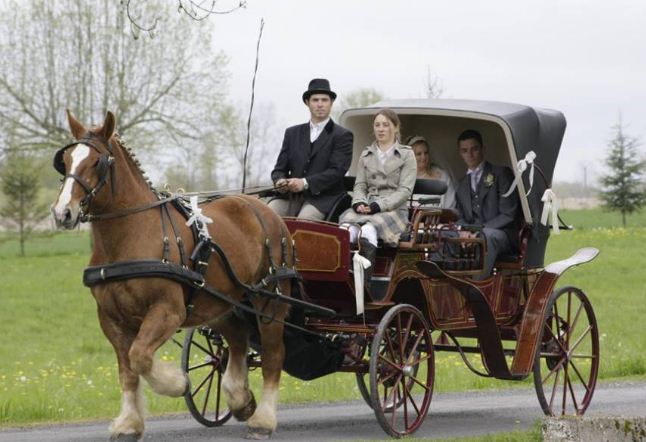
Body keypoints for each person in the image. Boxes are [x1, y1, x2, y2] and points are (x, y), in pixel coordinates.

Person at [338, 108, 417, 287]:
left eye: (385, 125)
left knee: (367, 230)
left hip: (393, 210)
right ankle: (343, 282)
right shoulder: (366, 154)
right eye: (377, 125)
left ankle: (363, 285)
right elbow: (360, 186)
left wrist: (377, 206)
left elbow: (404, 191)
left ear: (395, 128)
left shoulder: (406, 154)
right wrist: (359, 202)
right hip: (367, 206)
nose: (381, 129)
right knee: (344, 230)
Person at [269, 78, 353, 220]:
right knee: (267, 213)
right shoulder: (292, 133)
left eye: (324, 100)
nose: (320, 104)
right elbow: (279, 169)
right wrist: (280, 181)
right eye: (315, 100)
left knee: (304, 221)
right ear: (307, 103)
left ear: (331, 103)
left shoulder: (342, 135)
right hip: (291, 197)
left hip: (324, 199)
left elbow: (336, 171)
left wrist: (305, 183)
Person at [453, 129, 520, 278]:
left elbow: (508, 214)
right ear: (460, 153)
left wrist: (479, 231)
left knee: (485, 237)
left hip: (501, 234)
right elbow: (459, 215)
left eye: (474, 149)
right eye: (465, 151)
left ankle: (477, 287)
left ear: (483, 149)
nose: (469, 154)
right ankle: (451, 282)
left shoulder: (502, 173)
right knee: (445, 236)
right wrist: (463, 231)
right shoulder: (461, 184)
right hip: (474, 234)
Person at [407, 135, 456, 208]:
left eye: (426, 153)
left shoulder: (441, 176)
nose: (423, 157)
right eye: (419, 154)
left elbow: (450, 204)